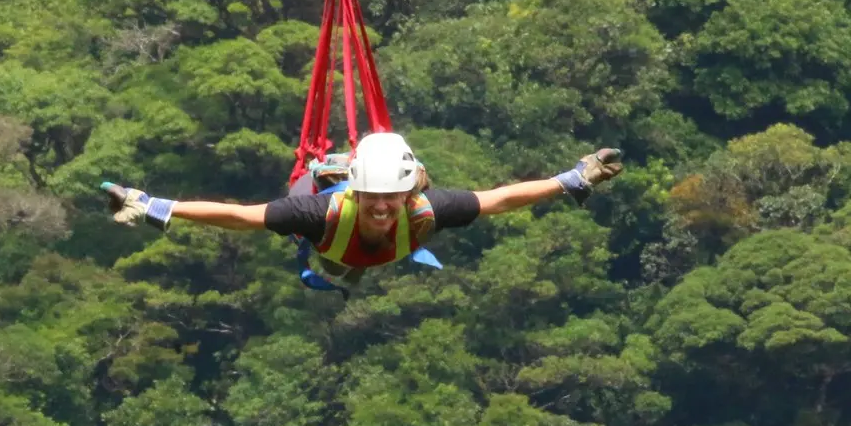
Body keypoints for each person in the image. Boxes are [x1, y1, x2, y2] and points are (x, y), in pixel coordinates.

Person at [102, 132, 624, 288]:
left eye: (388, 198)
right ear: (357, 191)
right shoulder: (315, 216)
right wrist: (155, 208)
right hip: (327, 229)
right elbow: (239, 216)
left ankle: (333, 190)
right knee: (321, 267)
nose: (379, 206)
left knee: (340, 269)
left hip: (373, 247)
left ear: (404, 193)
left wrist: (571, 179)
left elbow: (501, 198)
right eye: (371, 197)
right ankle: (327, 171)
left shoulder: (425, 208)